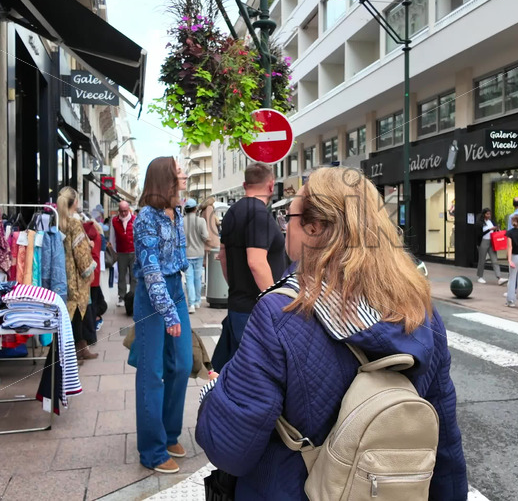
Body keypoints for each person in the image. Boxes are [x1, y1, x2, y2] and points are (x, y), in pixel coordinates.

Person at [196, 167, 468, 499]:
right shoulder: (419, 309)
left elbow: (230, 449)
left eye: (289, 216)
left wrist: (215, 393)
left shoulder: (279, 314)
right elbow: (443, 437)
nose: (285, 226)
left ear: (314, 227)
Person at [132, 157, 193, 474]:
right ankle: (152, 451)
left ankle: (170, 435)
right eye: (179, 172)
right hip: (152, 297)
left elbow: (178, 261)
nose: (184, 175)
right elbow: (151, 271)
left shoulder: (176, 211)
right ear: (165, 179)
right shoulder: (145, 219)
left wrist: (181, 299)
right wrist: (169, 313)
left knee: (182, 365)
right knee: (152, 373)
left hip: (176, 289)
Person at [212, 163, 288, 372]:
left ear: (245, 184)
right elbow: (256, 262)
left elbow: (224, 257)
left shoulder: (231, 213)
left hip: (238, 306)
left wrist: (236, 287)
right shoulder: (259, 215)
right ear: (271, 186)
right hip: (258, 312)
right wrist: (275, 301)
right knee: (258, 376)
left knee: (240, 374)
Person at [56, 187, 99, 364]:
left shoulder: (58, 220)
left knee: (74, 311)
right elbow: (80, 252)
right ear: (75, 202)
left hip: (62, 271)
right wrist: (89, 270)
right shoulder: (74, 223)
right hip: (75, 274)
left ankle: (81, 346)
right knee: (77, 311)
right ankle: (74, 352)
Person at [183, 197, 209, 314]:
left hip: (186, 254)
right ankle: (198, 301)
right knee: (198, 278)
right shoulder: (201, 221)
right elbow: (206, 236)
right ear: (195, 208)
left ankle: (191, 304)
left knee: (189, 279)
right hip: (199, 253)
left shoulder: (181, 221)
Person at [110, 200, 137, 308]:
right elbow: (112, 237)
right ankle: (121, 297)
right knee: (121, 275)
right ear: (119, 210)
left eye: (125, 211)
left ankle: (133, 296)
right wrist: (114, 251)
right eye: (122, 211)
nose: (124, 213)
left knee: (134, 276)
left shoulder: (135, 220)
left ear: (129, 209)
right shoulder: (114, 221)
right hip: (121, 252)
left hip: (134, 251)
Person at [475, 208, 507, 285]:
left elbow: (494, 231)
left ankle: (499, 277)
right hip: (483, 242)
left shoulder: (491, 221)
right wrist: (490, 229)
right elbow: (479, 234)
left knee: (494, 259)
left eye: (489, 214)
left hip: (491, 242)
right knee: (482, 260)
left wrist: (496, 229)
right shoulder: (479, 223)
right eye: (487, 214)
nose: (489, 215)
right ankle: (480, 276)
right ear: (484, 214)